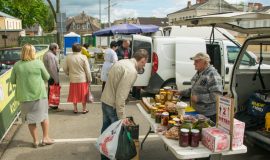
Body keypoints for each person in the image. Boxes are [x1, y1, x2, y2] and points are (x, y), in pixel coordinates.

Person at [100, 49, 148, 160]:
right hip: (113, 105)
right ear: (142, 60)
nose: (145, 64)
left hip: (106, 101)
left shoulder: (122, 62)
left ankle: (104, 157)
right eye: (145, 62)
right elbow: (120, 96)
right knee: (115, 136)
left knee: (106, 132)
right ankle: (110, 157)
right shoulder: (131, 71)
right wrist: (122, 118)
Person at [10, 44, 54, 148]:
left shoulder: (17, 65)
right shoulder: (38, 63)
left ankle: (35, 141)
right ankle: (45, 138)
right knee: (44, 116)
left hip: (24, 97)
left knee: (31, 120)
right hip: (39, 95)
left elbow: (12, 81)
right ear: (33, 52)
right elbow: (47, 77)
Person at [177, 52, 223, 122]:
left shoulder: (212, 74)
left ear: (205, 62)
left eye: (196, 61)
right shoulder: (200, 72)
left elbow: (217, 95)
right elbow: (193, 89)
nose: (194, 63)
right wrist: (180, 92)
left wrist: (199, 98)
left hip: (208, 115)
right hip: (197, 112)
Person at [63, 43, 92, 114]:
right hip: (82, 79)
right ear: (80, 49)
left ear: (72, 49)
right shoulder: (84, 57)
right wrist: (90, 79)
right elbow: (87, 70)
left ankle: (75, 108)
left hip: (73, 79)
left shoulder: (68, 57)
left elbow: (64, 68)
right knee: (83, 94)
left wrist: (68, 73)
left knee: (74, 94)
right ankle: (84, 109)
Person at [43, 43, 63, 112]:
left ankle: (52, 106)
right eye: (57, 49)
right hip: (52, 76)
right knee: (54, 92)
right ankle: (54, 107)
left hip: (50, 76)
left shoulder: (48, 54)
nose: (58, 50)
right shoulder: (50, 55)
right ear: (54, 48)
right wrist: (56, 79)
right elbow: (53, 68)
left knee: (51, 91)